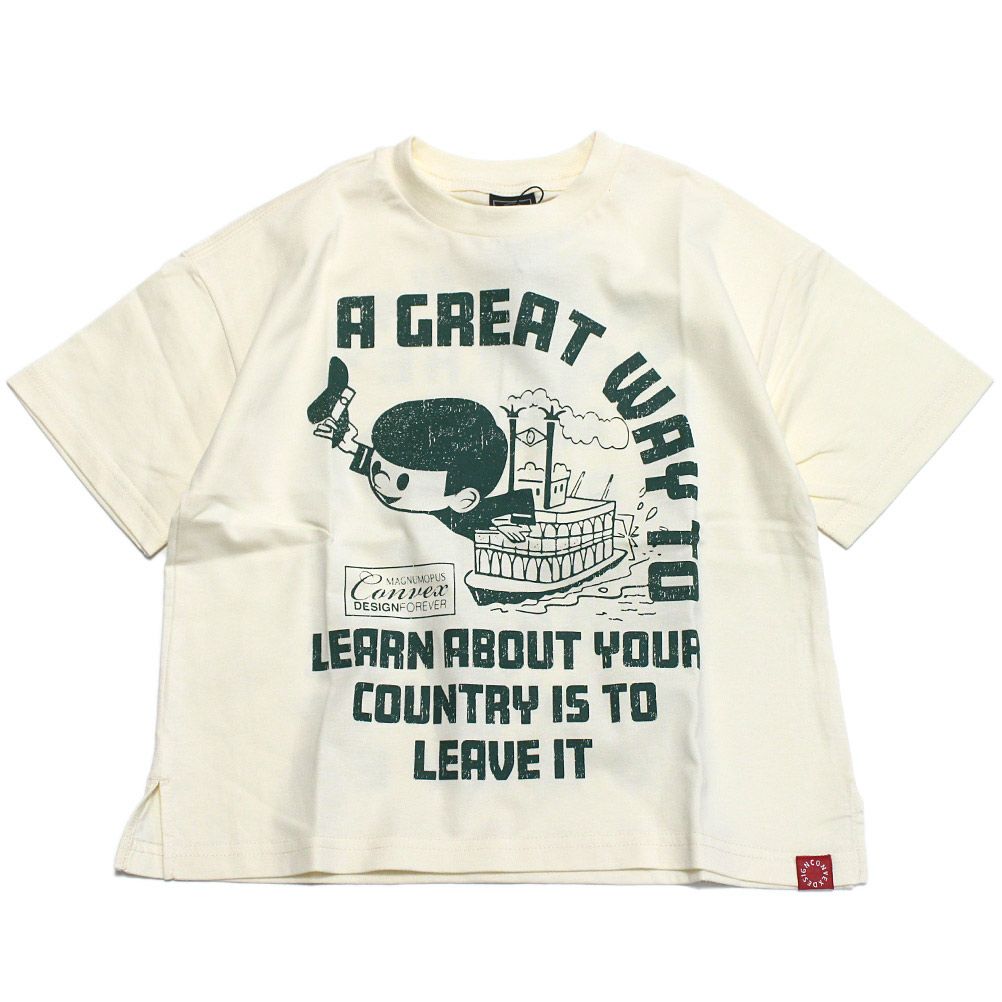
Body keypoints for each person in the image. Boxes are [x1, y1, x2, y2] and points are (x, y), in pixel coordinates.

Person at [314, 397, 535, 542]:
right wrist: (349, 444)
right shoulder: (447, 501)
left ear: (463, 500)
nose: (378, 480)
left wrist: (495, 530)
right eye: (378, 467)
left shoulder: (458, 518)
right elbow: (375, 459)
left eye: (403, 482)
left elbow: (473, 522)